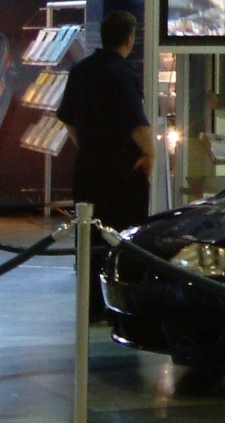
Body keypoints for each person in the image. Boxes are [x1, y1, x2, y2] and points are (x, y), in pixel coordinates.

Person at [57, 10, 153, 321]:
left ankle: (92, 304)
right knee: (124, 236)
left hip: (87, 164)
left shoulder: (80, 70)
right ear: (130, 38)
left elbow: (68, 121)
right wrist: (149, 154)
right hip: (121, 168)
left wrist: (87, 145)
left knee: (90, 236)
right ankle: (122, 303)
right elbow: (136, 125)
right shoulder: (122, 74)